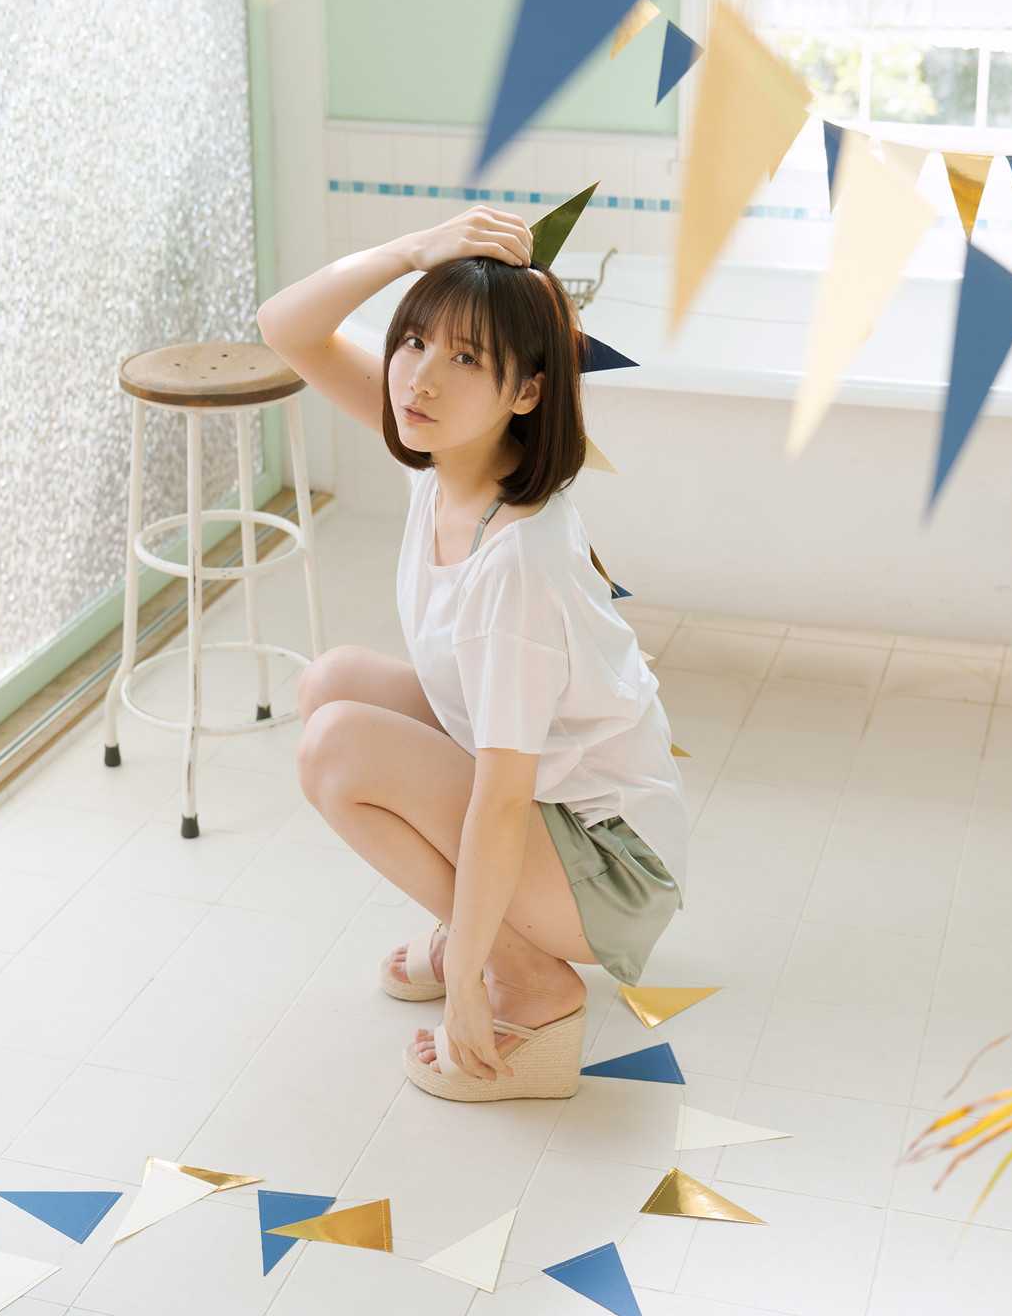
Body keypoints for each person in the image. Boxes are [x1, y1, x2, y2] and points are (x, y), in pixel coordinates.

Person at [256, 205, 688, 1104]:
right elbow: (285, 328)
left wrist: (465, 986)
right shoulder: (447, 453)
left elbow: (500, 798)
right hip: (553, 813)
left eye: (464, 359)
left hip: (609, 869)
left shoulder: (519, 561)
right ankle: (490, 936)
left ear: (526, 392)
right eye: (415, 341)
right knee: (331, 684)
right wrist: (415, 249)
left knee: (336, 745)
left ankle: (530, 983)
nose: (418, 377)